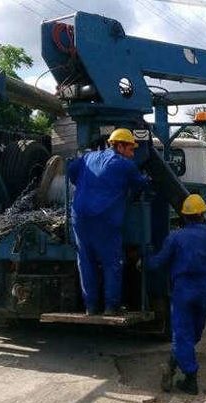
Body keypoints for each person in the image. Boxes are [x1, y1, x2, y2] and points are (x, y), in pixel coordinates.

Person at [148, 194, 206, 395]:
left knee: (183, 335)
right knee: (192, 334)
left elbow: (159, 262)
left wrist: (142, 260)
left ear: (184, 216)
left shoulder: (176, 237)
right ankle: (172, 365)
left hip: (184, 291)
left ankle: (191, 379)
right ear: (202, 213)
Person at [68, 128, 149, 316]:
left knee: (85, 261)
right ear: (119, 146)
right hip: (104, 219)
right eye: (130, 149)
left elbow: (71, 171)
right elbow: (141, 184)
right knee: (111, 262)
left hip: (79, 216)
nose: (132, 154)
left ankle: (91, 307)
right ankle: (111, 307)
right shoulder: (124, 165)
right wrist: (146, 179)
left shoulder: (88, 157)